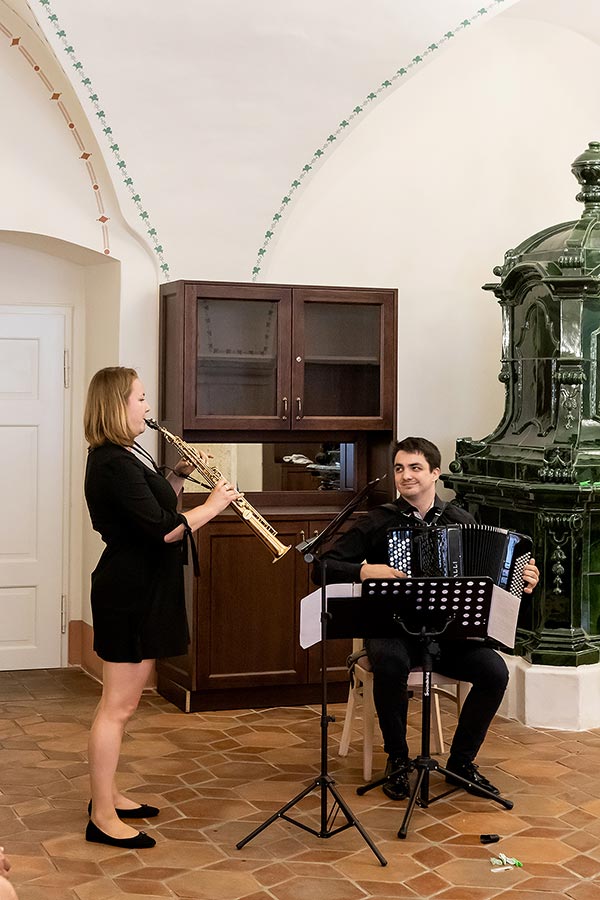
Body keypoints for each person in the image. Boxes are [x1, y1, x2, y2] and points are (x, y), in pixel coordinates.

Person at [314, 436, 539, 801]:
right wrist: (365, 570)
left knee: (494, 671)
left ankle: (461, 763)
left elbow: (496, 588)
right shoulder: (378, 521)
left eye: (415, 468)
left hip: (446, 635)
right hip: (392, 629)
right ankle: (398, 760)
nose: (405, 476)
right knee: (389, 663)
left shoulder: (460, 520)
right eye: (399, 468)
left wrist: (524, 581)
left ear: (435, 473)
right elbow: (322, 567)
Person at [83, 367, 241, 848]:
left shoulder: (126, 457)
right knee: (118, 706)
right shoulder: (110, 462)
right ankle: (102, 817)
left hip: (144, 587)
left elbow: (159, 511)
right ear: (118, 405)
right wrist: (215, 505)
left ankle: (108, 794)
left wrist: (178, 474)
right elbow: (164, 530)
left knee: (122, 706)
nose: (147, 408)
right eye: (140, 398)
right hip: (130, 591)